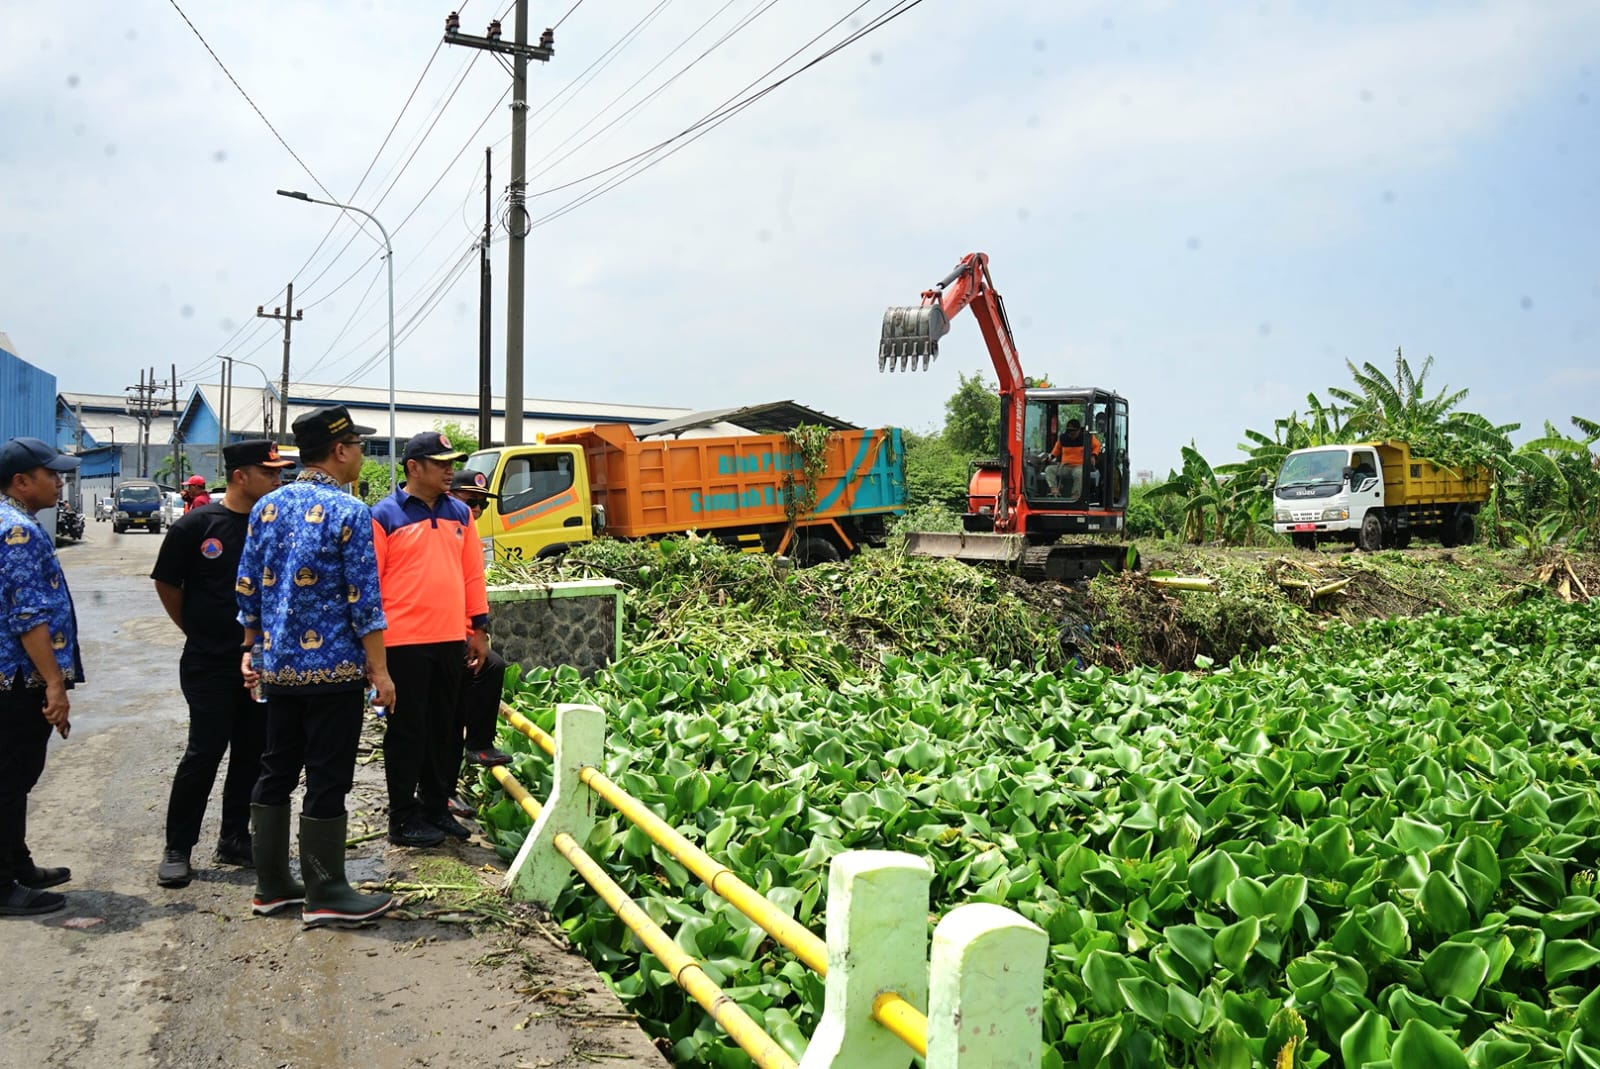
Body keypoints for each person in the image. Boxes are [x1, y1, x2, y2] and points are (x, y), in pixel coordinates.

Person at [237, 406, 397, 926]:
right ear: (340, 450)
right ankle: (326, 891)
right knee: (328, 776)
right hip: (334, 672)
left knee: (276, 768)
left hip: (280, 668)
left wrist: (252, 651)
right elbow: (364, 601)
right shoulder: (350, 511)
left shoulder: (266, 507)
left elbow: (248, 589)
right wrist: (381, 672)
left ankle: (272, 886)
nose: (359, 456)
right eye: (357, 446)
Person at [151, 439, 294, 889]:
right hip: (209, 663)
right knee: (205, 751)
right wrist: (200, 631)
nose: (277, 480)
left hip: (262, 663)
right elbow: (167, 584)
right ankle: (178, 847)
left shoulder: (275, 525)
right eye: (269, 473)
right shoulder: (198, 525)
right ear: (240, 476)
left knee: (253, 753)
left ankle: (234, 838)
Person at [371, 434, 490, 848]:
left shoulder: (460, 513)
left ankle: (437, 807)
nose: (449, 470)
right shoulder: (384, 515)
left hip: (449, 640)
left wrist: (479, 629)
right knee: (407, 731)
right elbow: (371, 586)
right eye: (440, 463)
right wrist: (375, 654)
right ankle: (402, 817)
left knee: (445, 728)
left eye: (451, 463)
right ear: (413, 467)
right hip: (402, 644)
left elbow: (473, 574)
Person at [0, 437, 83, 917]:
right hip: (18, 679)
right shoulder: (18, 531)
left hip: (12, 676)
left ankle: (18, 863)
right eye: (51, 474)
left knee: (15, 776)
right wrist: (54, 683)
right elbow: (28, 617)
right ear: (21, 481)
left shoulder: (15, 521)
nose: (59, 481)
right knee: (10, 778)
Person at [447, 470, 511, 783]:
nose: (475, 510)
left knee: (488, 667)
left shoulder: (468, 533)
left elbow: (473, 583)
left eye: (481, 505)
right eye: (470, 501)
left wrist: (477, 628)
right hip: (431, 633)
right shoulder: (446, 528)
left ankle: (474, 748)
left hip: (460, 629)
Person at [1045, 418, 1102, 498]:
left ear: (1079, 430)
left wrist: (1093, 455)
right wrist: (1050, 457)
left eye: (1074, 432)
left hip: (1079, 466)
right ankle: (1054, 491)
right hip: (1065, 466)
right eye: (1069, 432)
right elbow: (1056, 450)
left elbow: (1097, 445)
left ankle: (1075, 497)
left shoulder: (1087, 437)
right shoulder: (1063, 438)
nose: (1071, 435)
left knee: (1078, 473)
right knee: (1049, 469)